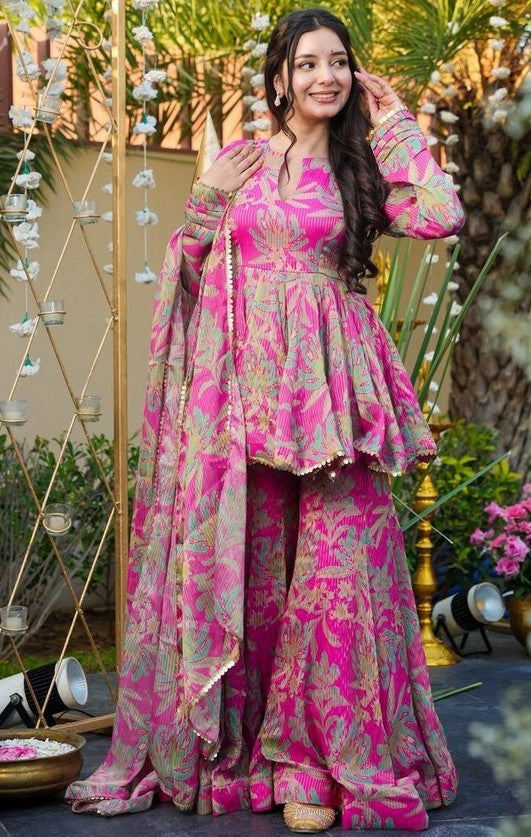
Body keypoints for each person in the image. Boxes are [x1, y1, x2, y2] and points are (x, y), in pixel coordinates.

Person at [66, 8, 464, 833]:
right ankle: (255, 753)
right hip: (244, 395)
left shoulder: (361, 170)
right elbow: (188, 272)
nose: (326, 76)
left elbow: (440, 214)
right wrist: (205, 200)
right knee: (253, 575)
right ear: (279, 77)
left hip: (334, 400)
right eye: (307, 63)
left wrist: (396, 124)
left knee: (338, 580)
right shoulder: (240, 162)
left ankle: (320, 759)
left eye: (339, 62)